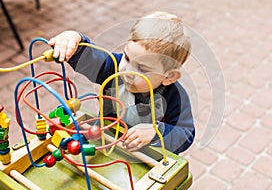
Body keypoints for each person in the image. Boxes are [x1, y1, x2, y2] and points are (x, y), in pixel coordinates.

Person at [48, 11, 195, 154]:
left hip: (145, 157)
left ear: (169, 77)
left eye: (142, 69)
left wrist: (156, 132)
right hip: (106, 140)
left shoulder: (175, 96)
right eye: (127, 57)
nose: (127, 71)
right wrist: (74, 41)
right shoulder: (114, 67)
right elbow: (90, 59)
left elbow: (186, 133)